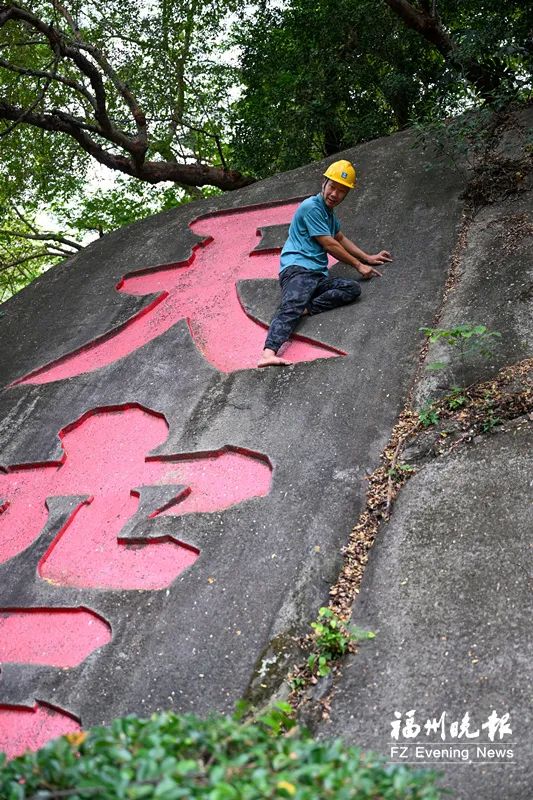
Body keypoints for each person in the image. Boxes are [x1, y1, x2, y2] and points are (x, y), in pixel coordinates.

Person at [258, 160, 392, 368]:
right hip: (298, 270)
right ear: (324, 183)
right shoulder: (311, 207)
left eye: (341, 191)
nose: (335, 194)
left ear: (346, 194)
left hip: (318, 276)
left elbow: (339, 238)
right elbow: (329, 243)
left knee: (351, 288)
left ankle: (306, 308)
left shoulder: (329, 215)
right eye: (332, 187)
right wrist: (358, 265)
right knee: (291, 305)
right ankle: (268, 353)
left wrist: (368, 258)